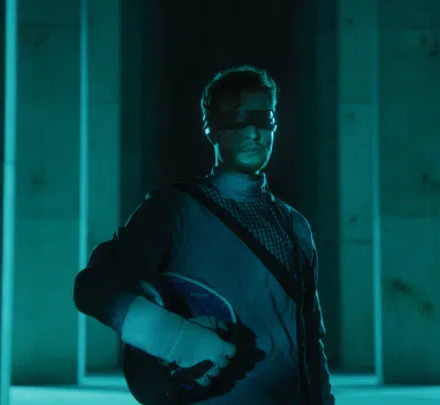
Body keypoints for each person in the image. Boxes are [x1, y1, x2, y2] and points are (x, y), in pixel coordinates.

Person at [73, 65, 335, 405]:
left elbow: (311, 338)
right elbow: (93, 286)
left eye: (263, 119)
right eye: (237, 120)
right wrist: (174, 339)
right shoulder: (175, 210)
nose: (252, 133)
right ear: (211, 129)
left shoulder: (295, 225)